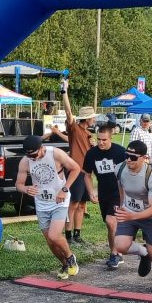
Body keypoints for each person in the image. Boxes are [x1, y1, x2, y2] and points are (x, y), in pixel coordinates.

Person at [15, 135, 82, 279]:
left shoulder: (55, 154)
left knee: (54, 235)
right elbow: (18, 184)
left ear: (41, 148)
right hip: (41, 204)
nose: (32, 158)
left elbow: (76, 168)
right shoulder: (25, 161)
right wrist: (26, 189)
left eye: (34, 155)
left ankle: (70, 257)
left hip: (59, 201)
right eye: (29, 155)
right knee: (50, 241)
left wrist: (65, 189)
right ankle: (65, 264)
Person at [113, 140, 152, 293]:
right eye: (126, 155)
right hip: (129, 211)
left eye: (133, 157)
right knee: (120, 246)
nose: (128, 160)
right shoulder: (119, 169)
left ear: (144, 158)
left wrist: (133, 216)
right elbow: (121, 188)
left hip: (150, 216)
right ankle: (144, 253)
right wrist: (122, 207)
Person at [83, 120, 129, 269]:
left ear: (111, 138)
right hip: (104, 193)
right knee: (109, 225)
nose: (101, 143)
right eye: (99, 139)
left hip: (119, 192)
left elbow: (131, 171)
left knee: (111, 221)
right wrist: (91, 192)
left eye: (104, 140)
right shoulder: (91, 154)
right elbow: (87, 175)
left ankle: (115, 254)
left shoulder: (120, 152)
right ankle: (116, 252)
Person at [59, 81, 95, 246]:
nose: (95, 119)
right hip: (75, 172)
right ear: (88, 118)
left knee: (81, 204)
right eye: (93, 117)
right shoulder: (74, 128)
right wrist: (64, 91)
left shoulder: (88, 134)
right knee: (72, 204)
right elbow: (68, 111)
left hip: (86, 173)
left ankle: (77, 234)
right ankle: (68, 236)